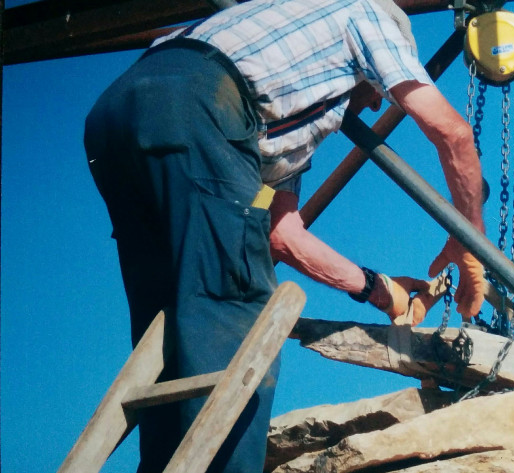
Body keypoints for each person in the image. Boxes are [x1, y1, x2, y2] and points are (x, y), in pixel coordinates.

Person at [84, 0, 487, 471]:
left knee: (172, 327)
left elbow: (283, 234)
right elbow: (453, 132)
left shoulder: (287, 111)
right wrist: (469, 240)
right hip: (203, 102)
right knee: (234, 318)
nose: (378, 101)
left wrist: (380, 291)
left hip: (116, 115)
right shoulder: (370, 12)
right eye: (379, 89)